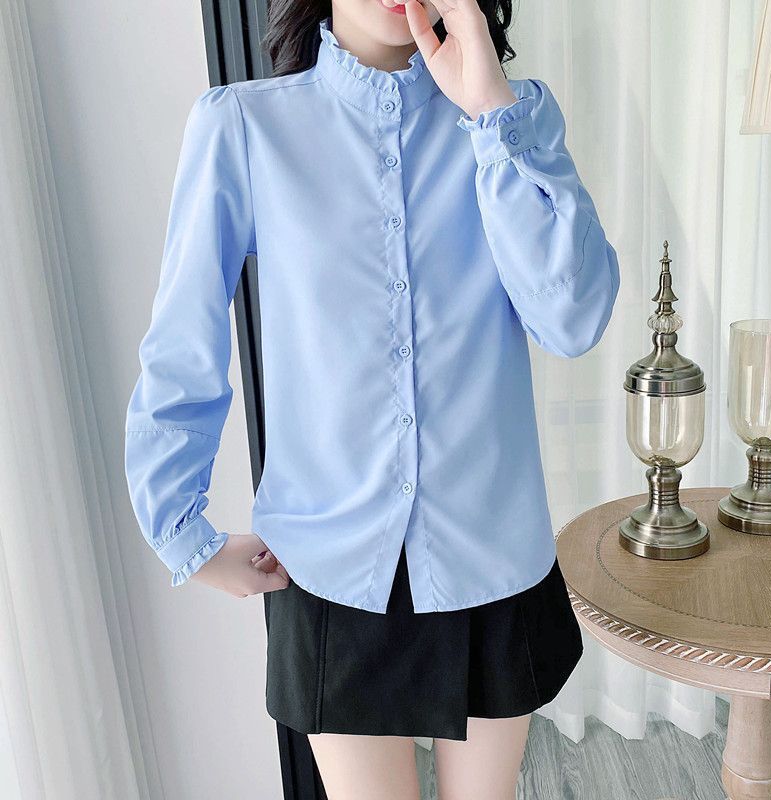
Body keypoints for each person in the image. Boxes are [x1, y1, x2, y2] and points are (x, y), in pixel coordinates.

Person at [124, 0, 621, 797]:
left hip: (491, 557)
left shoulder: (513, 120)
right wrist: (180, 529)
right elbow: (184, 338)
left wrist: (489, 113)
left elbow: (573, 319)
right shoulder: (244, 127)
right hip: (332, 569)